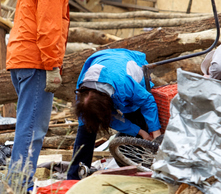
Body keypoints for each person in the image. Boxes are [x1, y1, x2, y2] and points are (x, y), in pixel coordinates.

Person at [5, 0, 90, 192]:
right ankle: (20, 189)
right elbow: (49, 30)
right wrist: (53, 66)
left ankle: (18, 185)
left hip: (22, 60)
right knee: (32, 129)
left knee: (26, 126)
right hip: (37, 63)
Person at [67, 48, 162, 180]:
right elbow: (109, 118)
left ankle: (141, 169)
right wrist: (139, 132)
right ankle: (74, 178)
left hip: (126, 63)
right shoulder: (83, 95)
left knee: (136, 116)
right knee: (86, 128)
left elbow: (147, 101)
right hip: (101, 60)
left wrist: (155, 133)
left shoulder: (126, 85)